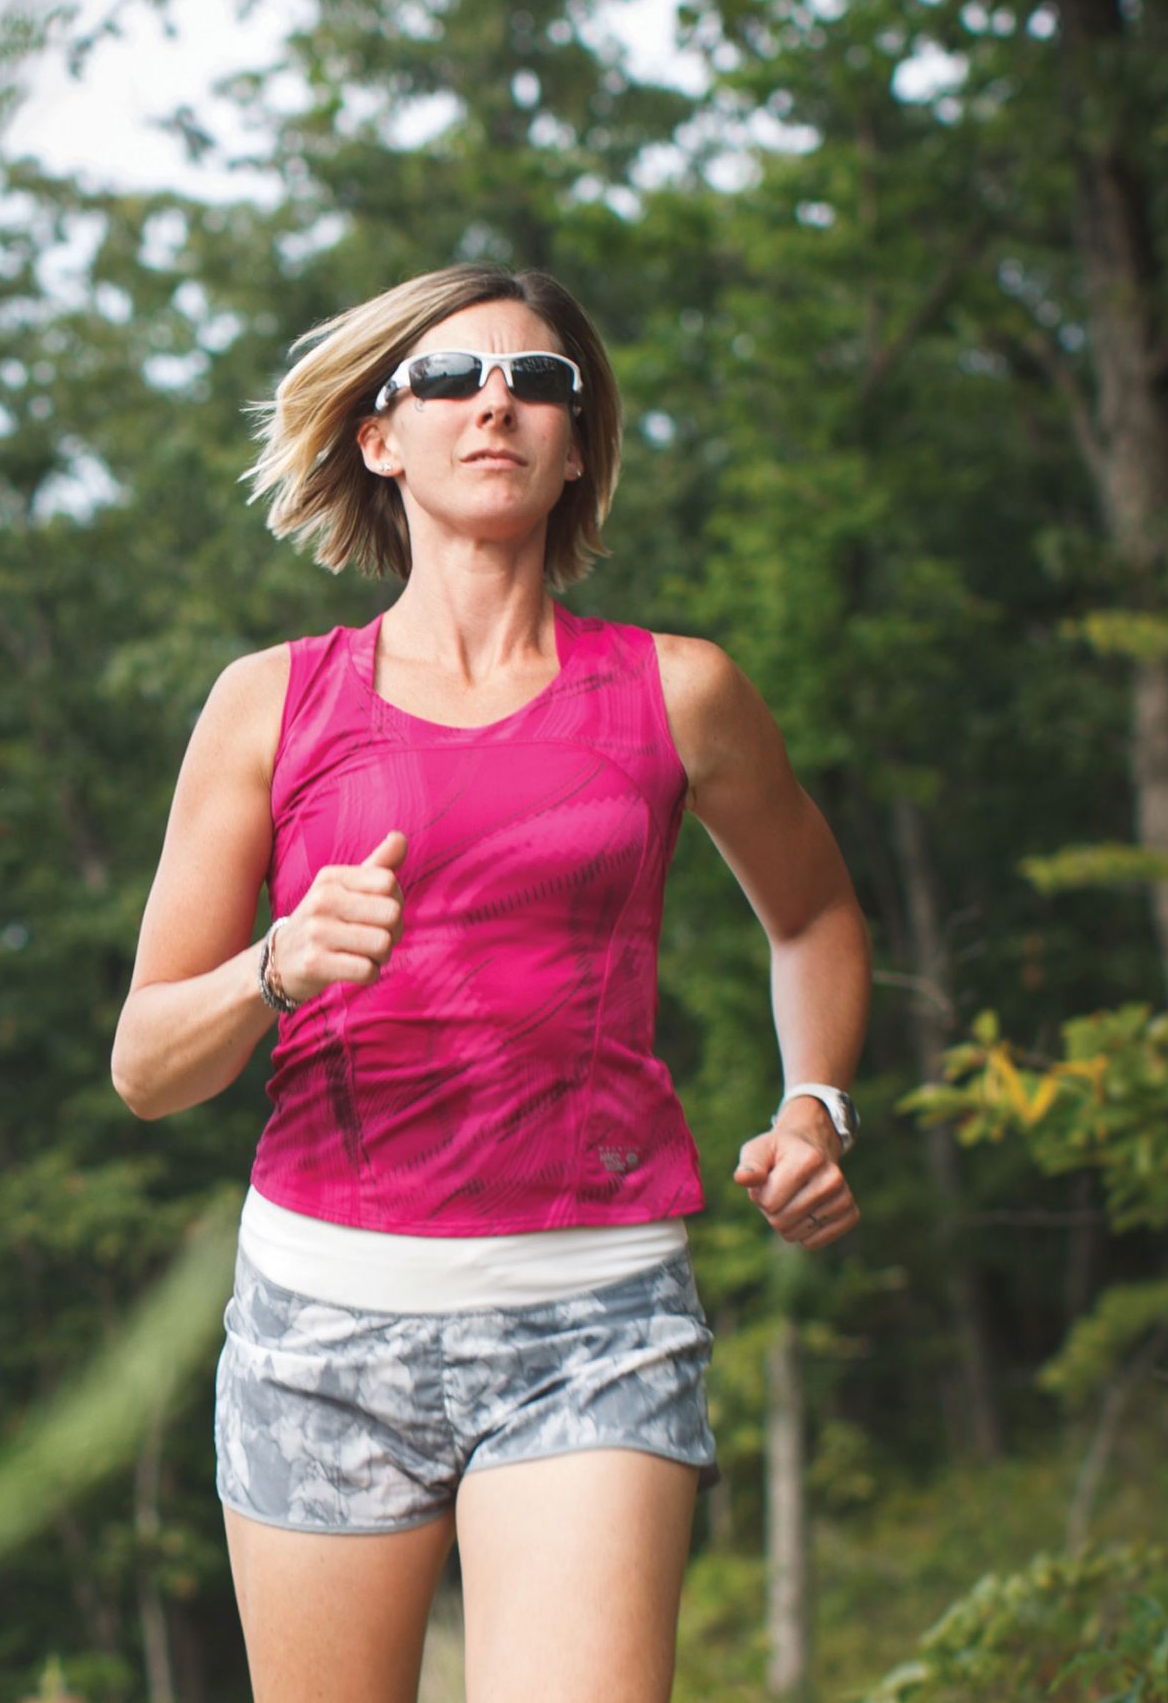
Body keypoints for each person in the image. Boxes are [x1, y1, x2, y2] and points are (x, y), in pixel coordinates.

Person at [109, 264, 871, 1703]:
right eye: (451, 380)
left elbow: (818, 913)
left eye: (540, 383)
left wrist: (816, 1104)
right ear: (381, 436)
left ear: (578, 444)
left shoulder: (678, 693)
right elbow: (148, 1068)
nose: (498, 406)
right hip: (321, 1323)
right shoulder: (269, 706)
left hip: (594, 1314)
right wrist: (276, 965)